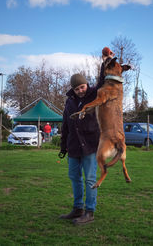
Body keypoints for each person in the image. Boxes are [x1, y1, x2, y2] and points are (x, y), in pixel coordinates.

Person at [59, 47, 115, 225]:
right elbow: (66, 124)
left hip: (91, 145)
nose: (80, 90)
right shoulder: (69, 102)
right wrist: (63, 146)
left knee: (90, 178)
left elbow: (102, 81)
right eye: (77, 89)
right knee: (74, 177)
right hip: (73, 147)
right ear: (73, 90)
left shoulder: (93, 93)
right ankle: (77, 209)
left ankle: (90, 212)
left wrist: (105, 62)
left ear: (86, 85)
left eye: (82, 86)